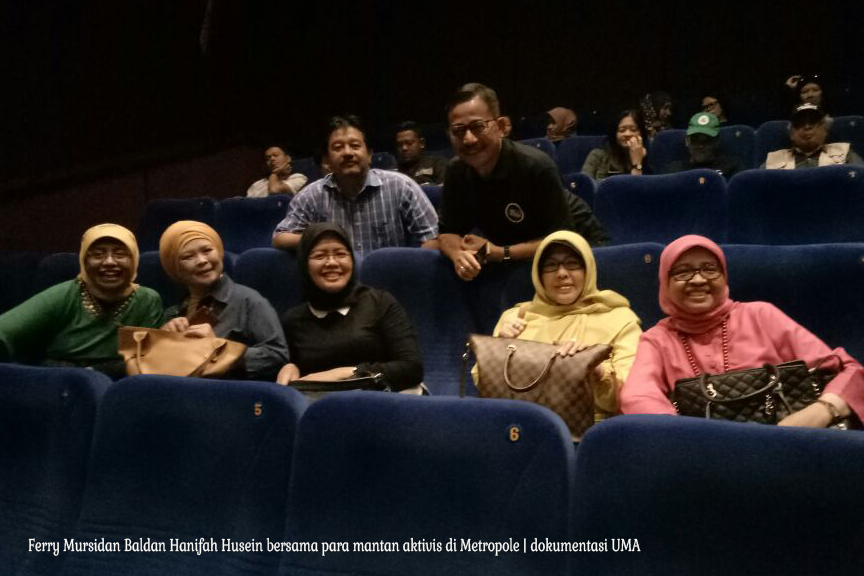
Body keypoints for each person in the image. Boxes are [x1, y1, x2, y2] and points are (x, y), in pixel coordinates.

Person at [620, 235, 864, 427]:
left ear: (724, 276)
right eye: (683, 272)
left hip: (789, 443)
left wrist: (821, 411)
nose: (698, 280)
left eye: (709, 269)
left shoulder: (761, 315)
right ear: (665, 283)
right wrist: (690, 441)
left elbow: (846, 370)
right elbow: (638, 397)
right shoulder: (657, 338)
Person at [438, 82, 607, 282]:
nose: (469, 139)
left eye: (477, 127)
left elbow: (561, 239)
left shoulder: (536, 165)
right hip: (514, 250)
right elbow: (447, 232)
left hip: (576, 246)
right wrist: (458, 255)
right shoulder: (455, 170)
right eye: (458, 130)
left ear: (501, 127)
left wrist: (499, 252)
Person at [483, 231, 642, 421]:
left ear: (588, 269)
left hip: (591, 429)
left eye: (572, 264)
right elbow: (484, 387)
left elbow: (630, 395)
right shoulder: (515, 317)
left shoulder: (621, 319)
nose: (562, 274)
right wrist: (499, 349)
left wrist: (595, 370)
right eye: (551, 265)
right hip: (522, 425)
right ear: (539, 275)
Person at [0, 224, 163, 377]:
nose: (109, 262)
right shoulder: (65, 294)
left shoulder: (146, 300)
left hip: (118, 383)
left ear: (134, 260)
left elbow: (145, 361)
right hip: (61, 380)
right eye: (97, 255)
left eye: (120, 254)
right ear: (84, 261)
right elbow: (5, 330)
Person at [277, 223, 423, 392]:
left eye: (340, 254)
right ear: (304, 264)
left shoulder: (379, 302)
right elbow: (292, 372)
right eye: (320, 256)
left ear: (352, 260)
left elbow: (412, 368)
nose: (332, 263)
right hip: (320, 404)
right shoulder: (293, 320)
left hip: (381, 399)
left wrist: (348, 373)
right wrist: (290, 367)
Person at [272, 115, 438, 257]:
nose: (347, 152)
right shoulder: (312, 194)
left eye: (355, 145)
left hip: (387, 280)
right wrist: (320, 238)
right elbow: (280, 237)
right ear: (328, 159)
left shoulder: (400, 186)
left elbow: (433, 236)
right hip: (336, 280)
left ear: (369, 155)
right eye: (338, 147)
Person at [160, 220, 289, 380]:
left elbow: (278, 356)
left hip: (229, 391)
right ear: (174, 268)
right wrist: (163, 342)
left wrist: (221, 350)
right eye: (188, 257)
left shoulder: (249, 301)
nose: (202, 260)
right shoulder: (173, 313)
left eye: (207, 250)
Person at [763, 104, 863, 169]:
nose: (807, 127)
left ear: (825, 130)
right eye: (799, 123)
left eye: (813, 122)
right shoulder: (773, 160)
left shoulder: (845, 153)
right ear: (791, 134)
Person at [664, 112, 743, 179]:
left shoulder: (731, 168)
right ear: (687, 141)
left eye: (707, 141)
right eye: (695, 140)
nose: (700, 146)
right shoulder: (673, 171)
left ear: (717, 141)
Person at [581, 110, 649, 181]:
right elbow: (584, 184)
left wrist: (637, 163)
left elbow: (637, 186)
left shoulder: (649, 157)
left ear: (641, 133)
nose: (627, 134)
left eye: (633, 130)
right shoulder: (597, 156)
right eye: (622, 130)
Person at [395, 121, 449, 185]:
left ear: (421, 143)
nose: (404, 148)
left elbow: (445, 188)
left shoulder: (437, 163)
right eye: (399, 145)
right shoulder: (395, 172)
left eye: (409, 143)